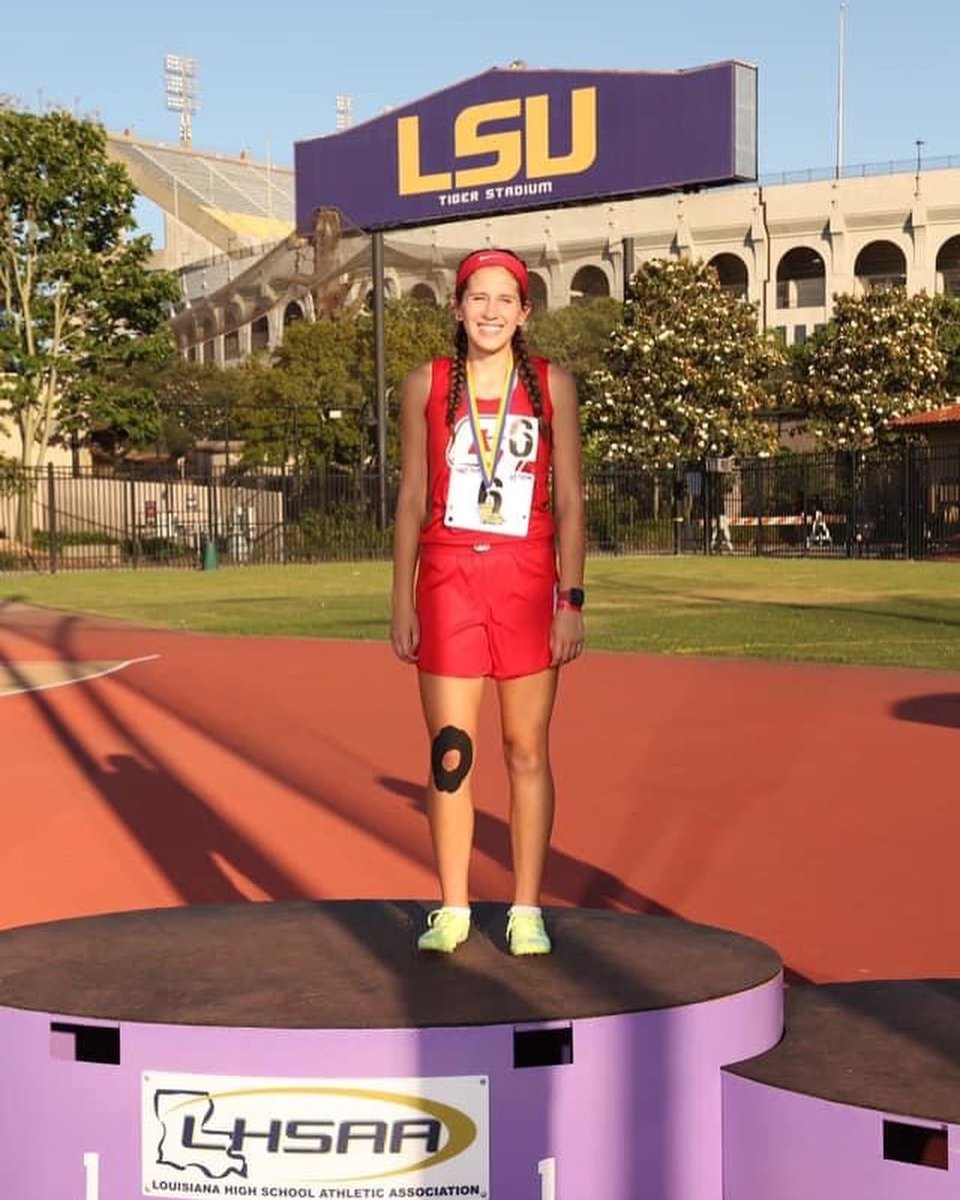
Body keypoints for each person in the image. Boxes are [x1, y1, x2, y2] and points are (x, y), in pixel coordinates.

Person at [391, 248, 586, 955]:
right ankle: (453, 907)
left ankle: (527, 907)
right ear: (457, 306)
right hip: (446, 581)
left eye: (506, 299)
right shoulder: (426, 383)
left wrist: (572, 598)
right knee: (451, 753)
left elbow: (570, 500)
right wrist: (402, 597)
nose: (492, 311)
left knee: (525, 748)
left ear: (525, 311)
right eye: (479, 298)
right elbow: (412, 496)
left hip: (527, 579)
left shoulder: (551, 385)